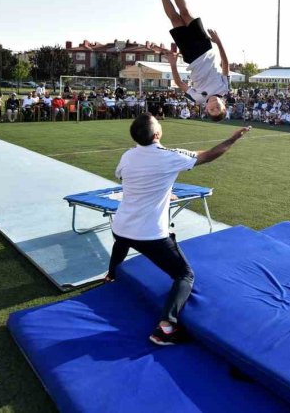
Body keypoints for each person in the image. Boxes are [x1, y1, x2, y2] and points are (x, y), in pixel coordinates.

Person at [105, 113, 250, 346]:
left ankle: (111, 275)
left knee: (122, 241)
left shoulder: (128, 155)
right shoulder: (170, 157)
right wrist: (232, 139)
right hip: (150, 234)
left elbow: (129, 178)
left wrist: (163, 191)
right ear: (157, 134)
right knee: (184, 275)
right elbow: (208, 155)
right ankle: (166, 327)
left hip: (121, 225)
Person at [153, 0, 230, 122]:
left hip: (191, 55)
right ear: (224, 106)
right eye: (218, 108)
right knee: (186, 13)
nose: (214, 106)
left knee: (175, 19)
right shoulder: (225, 88)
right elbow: (225, 64)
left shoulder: (196, 98)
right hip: (206, 48)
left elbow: (179, 83)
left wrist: (173, 64)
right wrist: (219, 42)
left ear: (206, 109)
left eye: (212, 110)